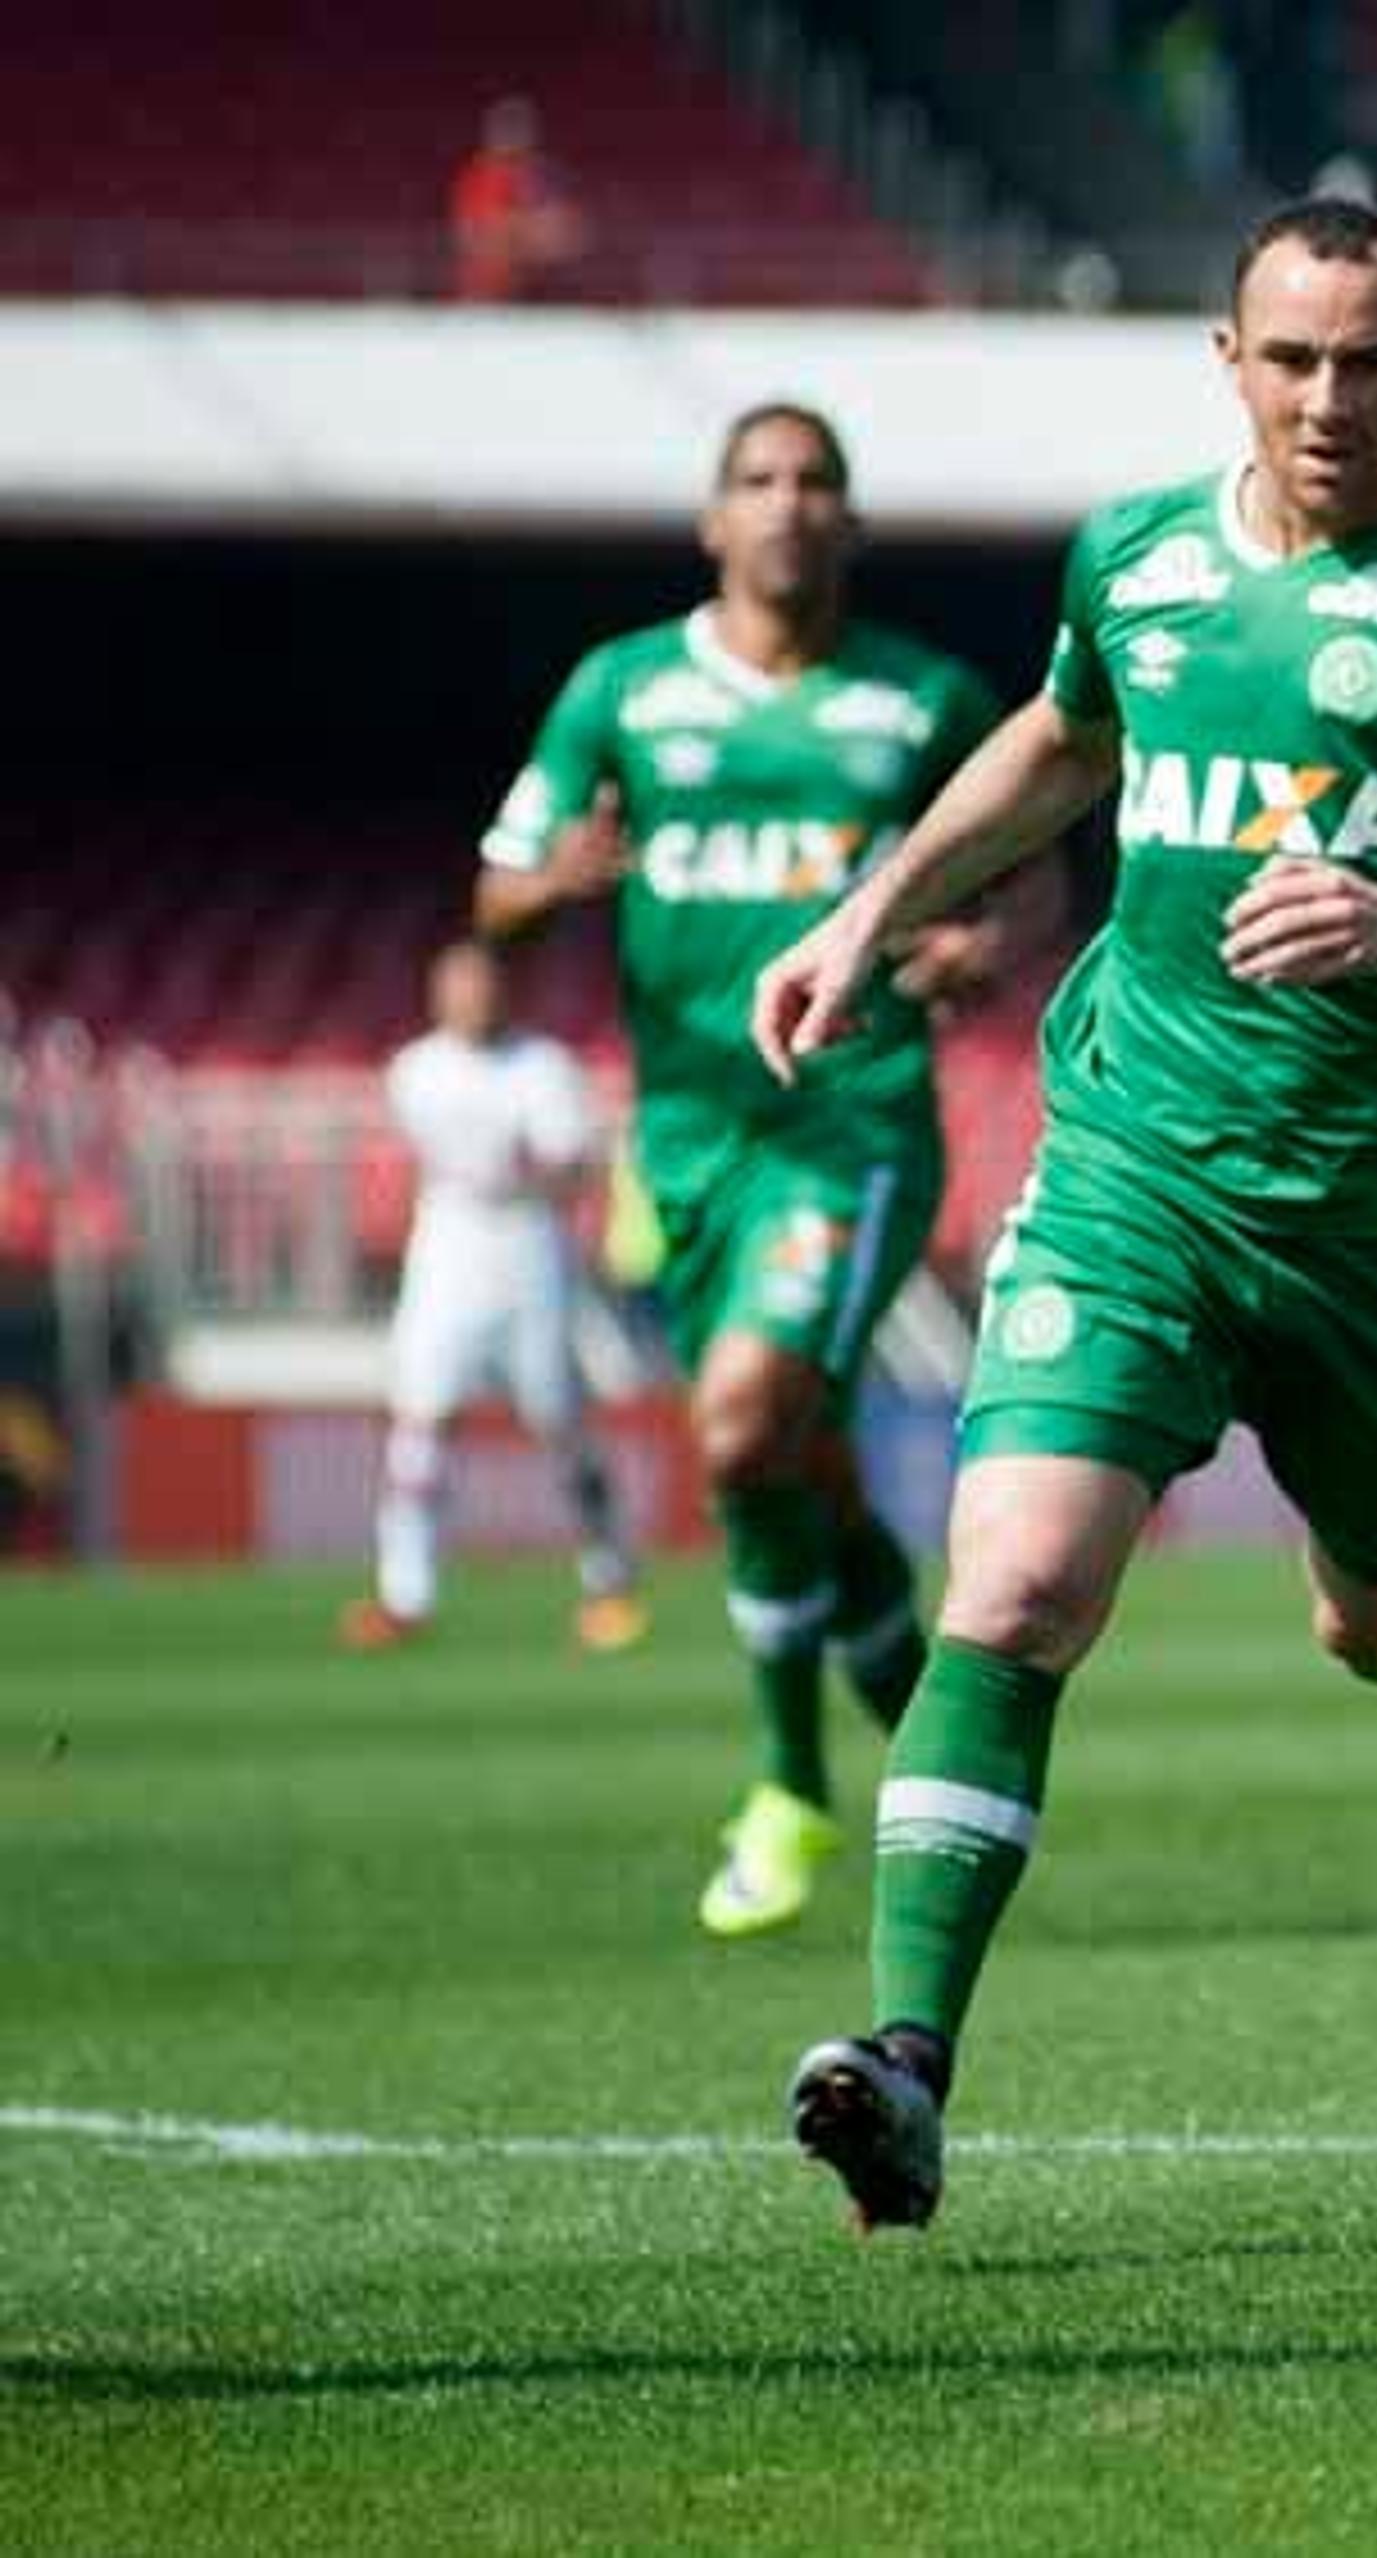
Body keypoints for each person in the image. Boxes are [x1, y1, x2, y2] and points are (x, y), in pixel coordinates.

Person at [748, 197, 1377, 2231]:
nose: (1331, 398)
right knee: (1012, 1589)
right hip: (1133, 1173)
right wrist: (870, 909)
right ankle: (909, 2064)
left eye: (1371, 361)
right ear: (1230, 359)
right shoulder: (1136, 557)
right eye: (1294, 358)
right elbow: (1065, 741)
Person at [478, 402, 1038, 1940]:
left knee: (737, 1432)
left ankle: (788, 1784)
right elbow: (497, 896)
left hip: (847, 1129)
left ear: (848, 522)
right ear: (713, 520)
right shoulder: (624, 693)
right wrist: (556, 885)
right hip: (685, 1144)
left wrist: (989, 938)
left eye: (816, 484)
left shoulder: (923, 702)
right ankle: (914, 1692)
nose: (788, 506)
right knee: (802, 1460)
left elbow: (1033, 856)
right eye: (759, 482)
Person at [336, 940, 644, 1654]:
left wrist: (544, 1170)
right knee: (420, 1416)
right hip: (448, 1239)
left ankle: (610, 1576)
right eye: (457, 987)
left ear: (504, 992)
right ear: (438, 995)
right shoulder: (414, 1070)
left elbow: (578, 1171)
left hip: (530, 1242)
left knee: (557, 1416)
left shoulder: (543, 1067)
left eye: (481, 985)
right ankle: (404, 1594)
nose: (470, 999)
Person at [448, 96, 591, 305]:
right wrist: (527, 230)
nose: (515, 147)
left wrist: (541, 231)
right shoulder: (481, 176)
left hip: (535, 292)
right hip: (486, 295)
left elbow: (571, 233)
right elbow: (478, 234)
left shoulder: (535, 175)